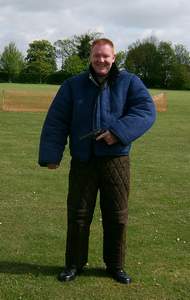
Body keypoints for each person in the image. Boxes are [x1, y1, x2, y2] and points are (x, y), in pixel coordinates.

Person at [38, 38, 156, 284]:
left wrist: (117, 132)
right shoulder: (73, 85)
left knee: (117, 216)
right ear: (90, 57)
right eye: (96, 56)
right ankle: (74, 264)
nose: (101, 60)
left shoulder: (129, 82)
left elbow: (145, 111)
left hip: (117, 160)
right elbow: (57, 120)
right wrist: (52, 155)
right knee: (78, 215)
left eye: (106, 56)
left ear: (114, 58)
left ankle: (115, 266)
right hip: (83, 160)